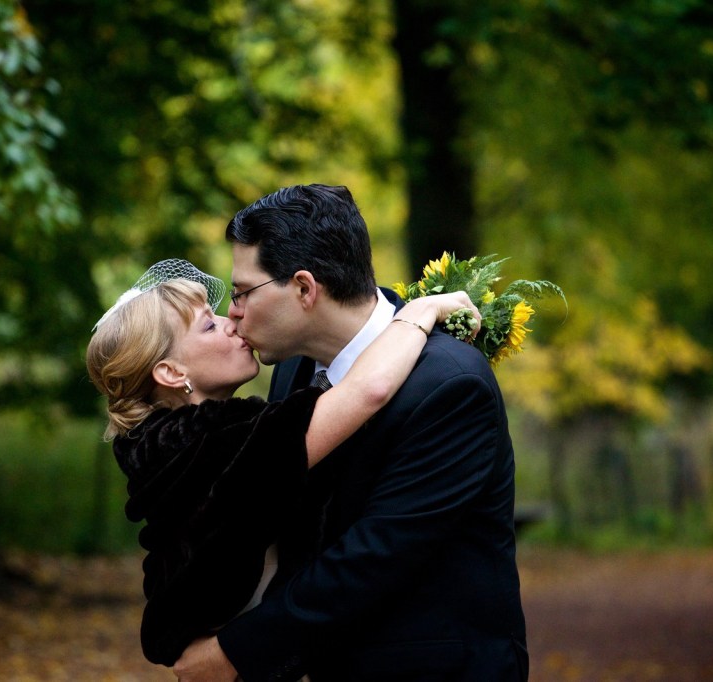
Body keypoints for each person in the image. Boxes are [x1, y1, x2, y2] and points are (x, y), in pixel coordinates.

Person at [173, 184, 529, 681]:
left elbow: (374, 557)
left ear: (303, 288)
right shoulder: (294, 369)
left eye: (241, 293)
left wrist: (236, 653)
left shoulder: (450, 384)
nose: (231, 313)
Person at [85, 259, 476, 668]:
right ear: (170, 372)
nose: (231, 323)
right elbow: (367, 390)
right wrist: (418, 314)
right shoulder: (206, 445)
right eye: (208, 325)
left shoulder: (161, 444)